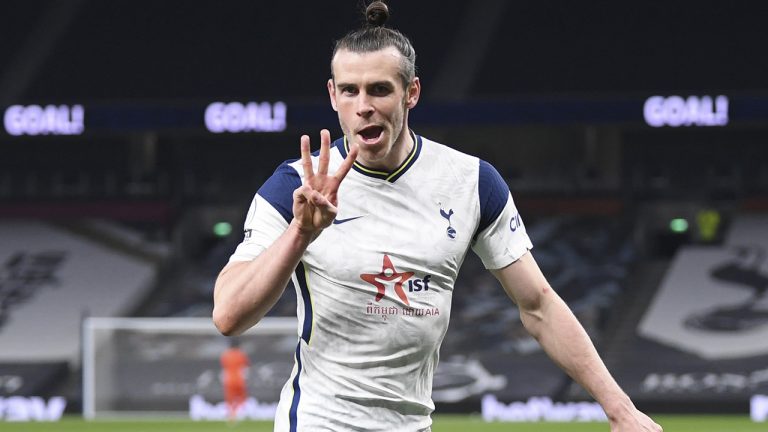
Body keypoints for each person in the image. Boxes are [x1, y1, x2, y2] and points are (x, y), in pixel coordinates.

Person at [213, 2, 663, 431]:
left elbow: (539, 305)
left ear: (412, 93)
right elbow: (228, 315)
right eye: (349, 90)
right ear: (332, 96)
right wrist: (300, 233)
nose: (363, 105)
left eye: (380, 89)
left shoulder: (471, 182)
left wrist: (620, 409)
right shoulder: (297, 187)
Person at [220, 337, 249, 422]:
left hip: (229, 380)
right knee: (242, 398)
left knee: (230, 399)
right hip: (239, 380)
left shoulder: (226, 355)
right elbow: (245, 369)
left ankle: (232, 415)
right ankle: (238, 413)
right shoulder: (241, 354)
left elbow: (224, 369)